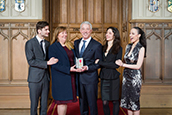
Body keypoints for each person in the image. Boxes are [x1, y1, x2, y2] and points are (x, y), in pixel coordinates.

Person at [25, 21, 58, 115]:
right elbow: (31, 61)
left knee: (44, 104)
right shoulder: (30, 43)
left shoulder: (47, 44)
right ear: (39, 31)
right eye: (46, 30)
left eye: (48, 29)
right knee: (34, 104)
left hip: (45, 78)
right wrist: (47, 63)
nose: (48, 31)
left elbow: (49, 59)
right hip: (34, 79)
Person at [115, 27, 147, 115]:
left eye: (133, 33)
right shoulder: (128, 46)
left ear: (139, 35)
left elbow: (138, 66)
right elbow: (125, 60)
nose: (130, 35)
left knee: (134, 102)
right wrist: (120, 62)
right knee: (127, 103)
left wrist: (123, 65)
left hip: (134, 79)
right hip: (126, 77)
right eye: (130, 33)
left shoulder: (141, 48)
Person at [48, 26, 79, 115]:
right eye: (62, 33)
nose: (65, 35)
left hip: (70, 77)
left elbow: (75, 58)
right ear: (57, 35)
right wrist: (69, 69)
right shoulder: (53, 47)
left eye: (65, 33)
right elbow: (55, 65)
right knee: (61, 102)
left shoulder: (69, 45)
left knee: (65, 102)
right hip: (60, 79)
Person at [74, 21, 103, 115]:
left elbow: (99, 64)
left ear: (91, 31)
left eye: (87, 29)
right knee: (82, 103)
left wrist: (87, 67)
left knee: (92, 103)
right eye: (83, 29)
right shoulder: (76, 42)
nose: (85, 31)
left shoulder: (97, 45)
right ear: (80, 30)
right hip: (79, 78)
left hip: (90, 79)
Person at [95, 27, 122, 115]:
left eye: (110, 33)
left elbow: (116, 65)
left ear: (115, 35)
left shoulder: (118, 48)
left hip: (114, 77)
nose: (107, 34)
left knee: (115, 101)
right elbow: (97, 62)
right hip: (104, 77)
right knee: (105, 102)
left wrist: (101, 62)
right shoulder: (102, 47)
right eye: (107, 32)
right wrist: (100, 63)